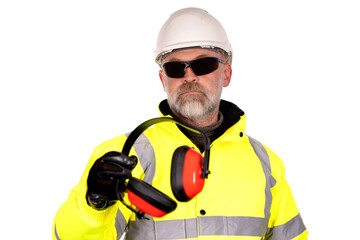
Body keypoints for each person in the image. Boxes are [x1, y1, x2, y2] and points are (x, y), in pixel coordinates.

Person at [53, 7, 307, 240]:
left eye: (203, 64)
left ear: (226, 73)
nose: (189, 77)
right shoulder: (123, 157)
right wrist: (94, 204)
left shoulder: (267, 165)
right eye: (175, 68)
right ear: (163, 80)